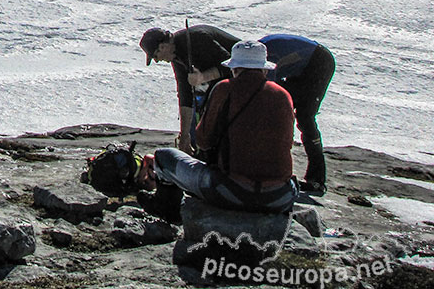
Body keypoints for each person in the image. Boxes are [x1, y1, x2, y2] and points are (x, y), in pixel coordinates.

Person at [140, 39, 298, 222]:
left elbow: (203, 140)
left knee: (164, 157)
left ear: (235, 68)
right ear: (264, 69)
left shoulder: (225, 89)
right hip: (279, 197)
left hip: (231, 191)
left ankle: (168, 212)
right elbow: (288, 142)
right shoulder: (283, 95)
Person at [139, 25, 240, 154]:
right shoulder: (176, 58)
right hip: (225, 81)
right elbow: (185, 95)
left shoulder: (194, 38)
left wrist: (203, 77)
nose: (157, 61)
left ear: (162, 47)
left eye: (155, 56)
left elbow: (232, 64)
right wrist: (184, 134)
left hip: (249, 71)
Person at [259, 34, 335, 195]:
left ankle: (317, 179)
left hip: (318, 61)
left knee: (305, 117)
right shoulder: (256, 54)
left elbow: (270, 95)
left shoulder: (266, 59)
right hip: (301, 65)